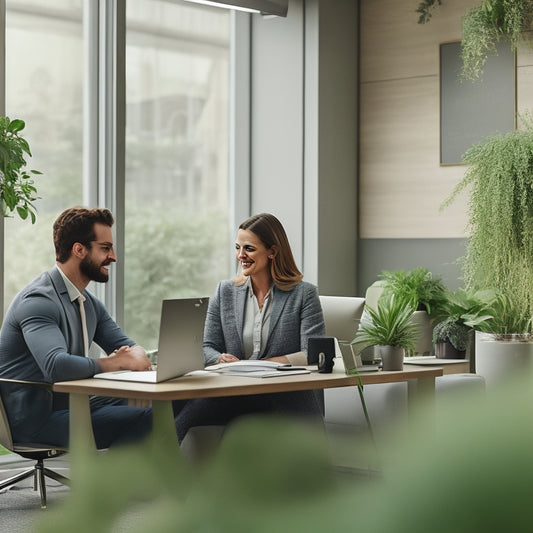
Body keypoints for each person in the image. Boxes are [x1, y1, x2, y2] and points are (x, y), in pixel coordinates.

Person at [0, 207, 153, 449]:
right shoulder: (38, 300)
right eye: (105, 248)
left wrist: (136, 354)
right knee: (148, 419)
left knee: (161, 406)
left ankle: (117, 481)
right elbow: (56, 365)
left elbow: (127, 346)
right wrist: (114, 363)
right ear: (79, 249)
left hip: (73, 404)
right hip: (34, 421)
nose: (113, 256)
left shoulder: (87, 302)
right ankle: (108, 485)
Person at [176, 212, 326, 442]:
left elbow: (312, 354)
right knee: (178, 412)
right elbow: (207, 346)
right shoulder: (224, 292)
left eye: (249, 249)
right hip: (235, 394)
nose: (240, 256)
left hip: (285, 397)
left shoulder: (304, 294)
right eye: (237, 247)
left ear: (273, 251)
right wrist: (219, 359)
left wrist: (259, 365)